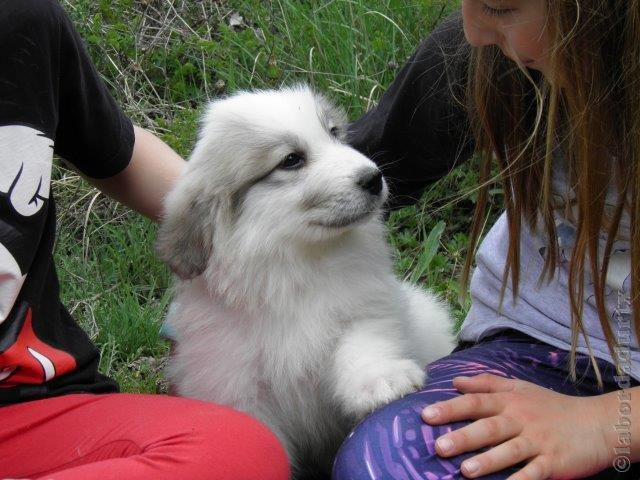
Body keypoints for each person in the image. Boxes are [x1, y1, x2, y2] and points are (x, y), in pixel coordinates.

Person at [333, 0, 640, 479]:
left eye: (500, 7)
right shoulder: (490, 56)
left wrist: (606, 426)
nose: (473, 32)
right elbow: (343, 180)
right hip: (544, 350)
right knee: (385, 463)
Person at [0, 1, 289, 479]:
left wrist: (244, 241)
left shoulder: (21, 18)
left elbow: (120, 154)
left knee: (239, 451)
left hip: (27, 410)